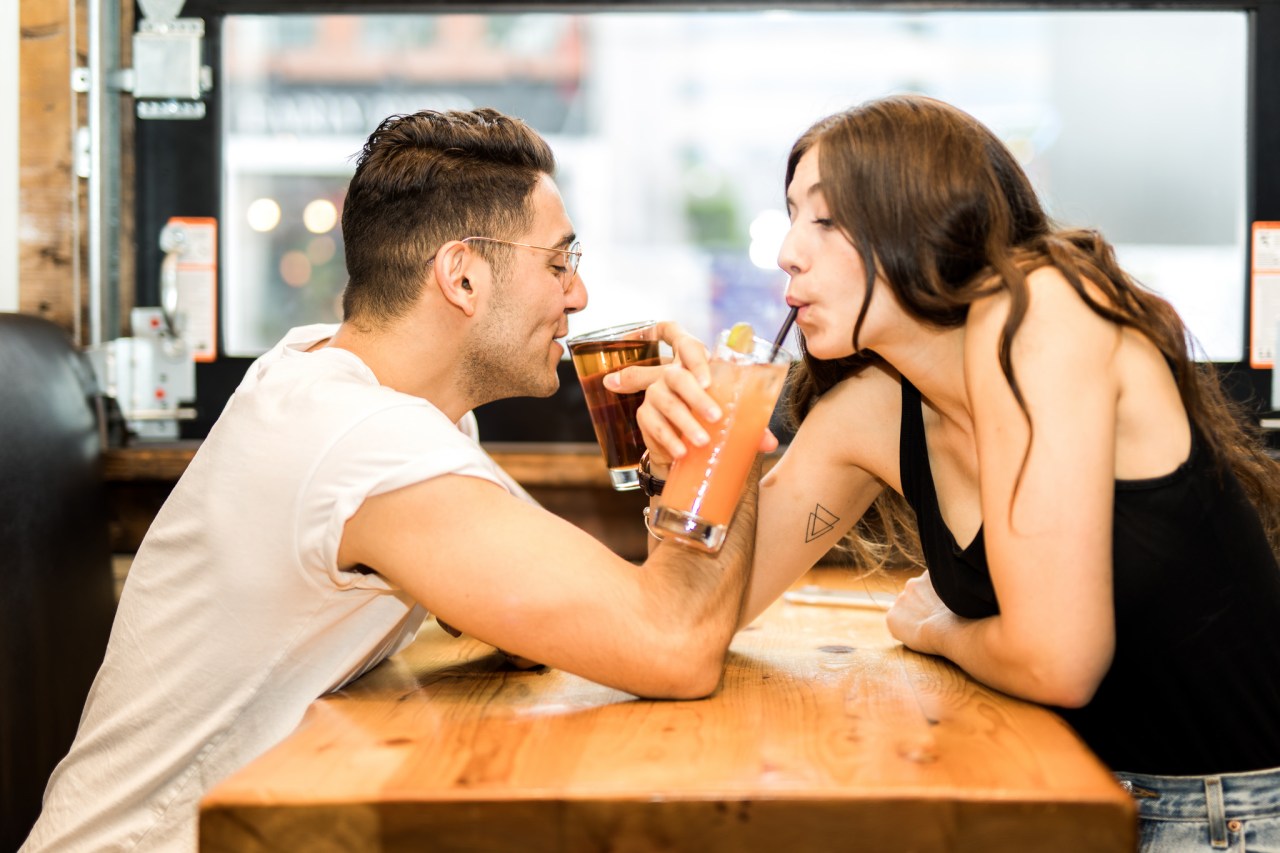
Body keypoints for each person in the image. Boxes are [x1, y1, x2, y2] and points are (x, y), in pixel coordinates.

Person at [22, 108, 761, 853]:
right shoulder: (363, 440)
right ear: (462, 276)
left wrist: (668, 472)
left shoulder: (342, 379)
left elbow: (527, 626)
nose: (580, 296)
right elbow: (673, 646)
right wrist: (730, 432)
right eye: (559, 264)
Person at [620, 94, 1280, 852]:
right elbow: (691, 621)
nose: (786, 252)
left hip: (1228, 817)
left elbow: (1059, 663)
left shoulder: (1042, 307)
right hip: (1063, 788)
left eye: (826, 219)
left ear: (922, 219)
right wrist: (687, 466)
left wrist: (942, 629)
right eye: (792, 215)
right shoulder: (872, 412)